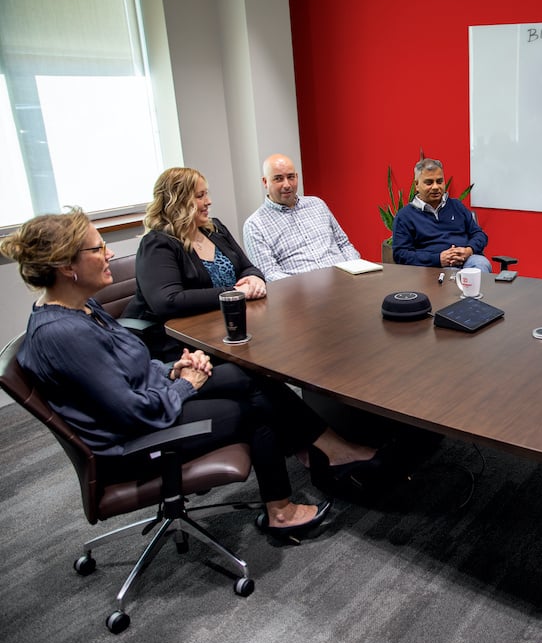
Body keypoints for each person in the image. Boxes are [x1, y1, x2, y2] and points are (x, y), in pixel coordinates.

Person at [0, 209, 382, 536]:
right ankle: (284, 508)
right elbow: (135, 412)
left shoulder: (82, 309)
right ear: (67, 267)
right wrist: (184, 384)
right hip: (135, 441)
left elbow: (130, 365)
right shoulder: (64, 334)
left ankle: (322, 449)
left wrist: (172, 368)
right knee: (258, 408)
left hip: (154, 399)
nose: (109, 253)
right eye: (98, 248)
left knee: (252, 376)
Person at [123, 167, 268, 359]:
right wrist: (235, 293)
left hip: (225, 329)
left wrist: (254, 278)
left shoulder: (214, 229)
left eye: (206, 194)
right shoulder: (158, 244)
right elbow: (168, 301)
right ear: (178, 202)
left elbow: (246, 267)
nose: (208, 201)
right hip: (178, 343)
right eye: (200, 196)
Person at [243, 153, 361, 281]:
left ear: (297, 177)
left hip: (345, 282)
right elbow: (269, 273)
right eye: (278, 179)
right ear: (265, 182)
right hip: (301, 296)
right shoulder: (254, 225)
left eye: (291, 177)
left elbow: (343, 244)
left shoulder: (317, 204)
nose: (287, 184)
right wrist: (306, 288)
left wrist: (354, 269)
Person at [392, 158, 491, 273]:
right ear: (417, 185)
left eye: (439, 181)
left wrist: (468, 250)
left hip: (467, 260)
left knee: (481, 264)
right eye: (429, 183)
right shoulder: (405, 216)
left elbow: (479, 234)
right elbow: (401, 254)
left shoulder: (456, 206)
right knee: (450, 274)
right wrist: (438, 259)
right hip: (432, 268)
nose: (435, 187)